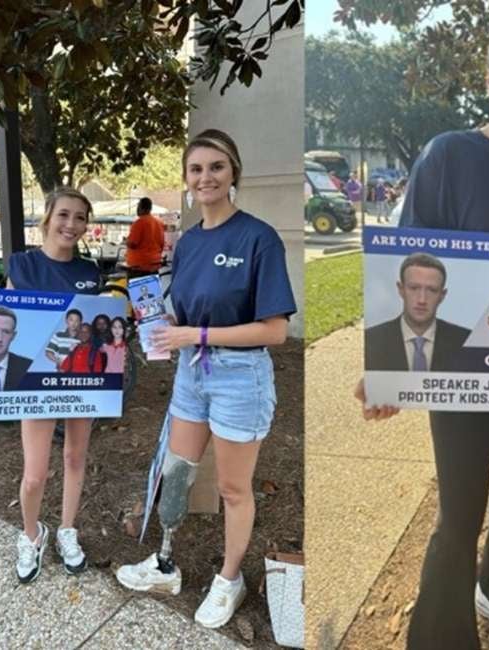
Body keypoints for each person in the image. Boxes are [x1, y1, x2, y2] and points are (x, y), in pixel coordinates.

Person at [356, 16, 489, 648]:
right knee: (459, 510)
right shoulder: (448, 154)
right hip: (457, 362)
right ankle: (439, 636)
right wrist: (389, 371)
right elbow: (410, 268)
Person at [115, 129, 296, 630]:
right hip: (191, 374)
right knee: (177, 471)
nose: (206, 177)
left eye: (216, 166)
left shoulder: (258, 237)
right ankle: (166, 564)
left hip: (240, 378)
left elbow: (275, 330)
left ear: (233, 171)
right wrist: (164, 327)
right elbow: (183, 312)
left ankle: (229, 579)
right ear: (187, 180)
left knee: (234, 490)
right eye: (196, 169)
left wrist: (194, 332)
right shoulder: (189, 241)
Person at [6, 187, 102, 583]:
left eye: (80, 217)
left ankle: (66, 529)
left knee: (76, 458)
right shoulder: (21, 264)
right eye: (64, 214)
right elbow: (5, 318)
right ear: (47, 217)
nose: (72, 224)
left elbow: (97, 329)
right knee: (35, 474)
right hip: (36, 378)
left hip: (81, 379)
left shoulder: (91, 272)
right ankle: (31, 535)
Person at [364, 253, 469, 372]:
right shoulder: (370, 340)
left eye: (432, 290)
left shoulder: (466, 342)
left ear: (442, 295)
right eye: (414, 288)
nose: (422, 300)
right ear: (401, 289)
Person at [125, 197, 165, 277]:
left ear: (141, 208)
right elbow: (161, 244)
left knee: (138, 289)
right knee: (152, 289)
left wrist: (126, 241)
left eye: (138, 206)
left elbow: (132, 244)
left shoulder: (139, 223)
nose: (137, 209)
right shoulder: (159, 223)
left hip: (139, 266)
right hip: (154, 264)